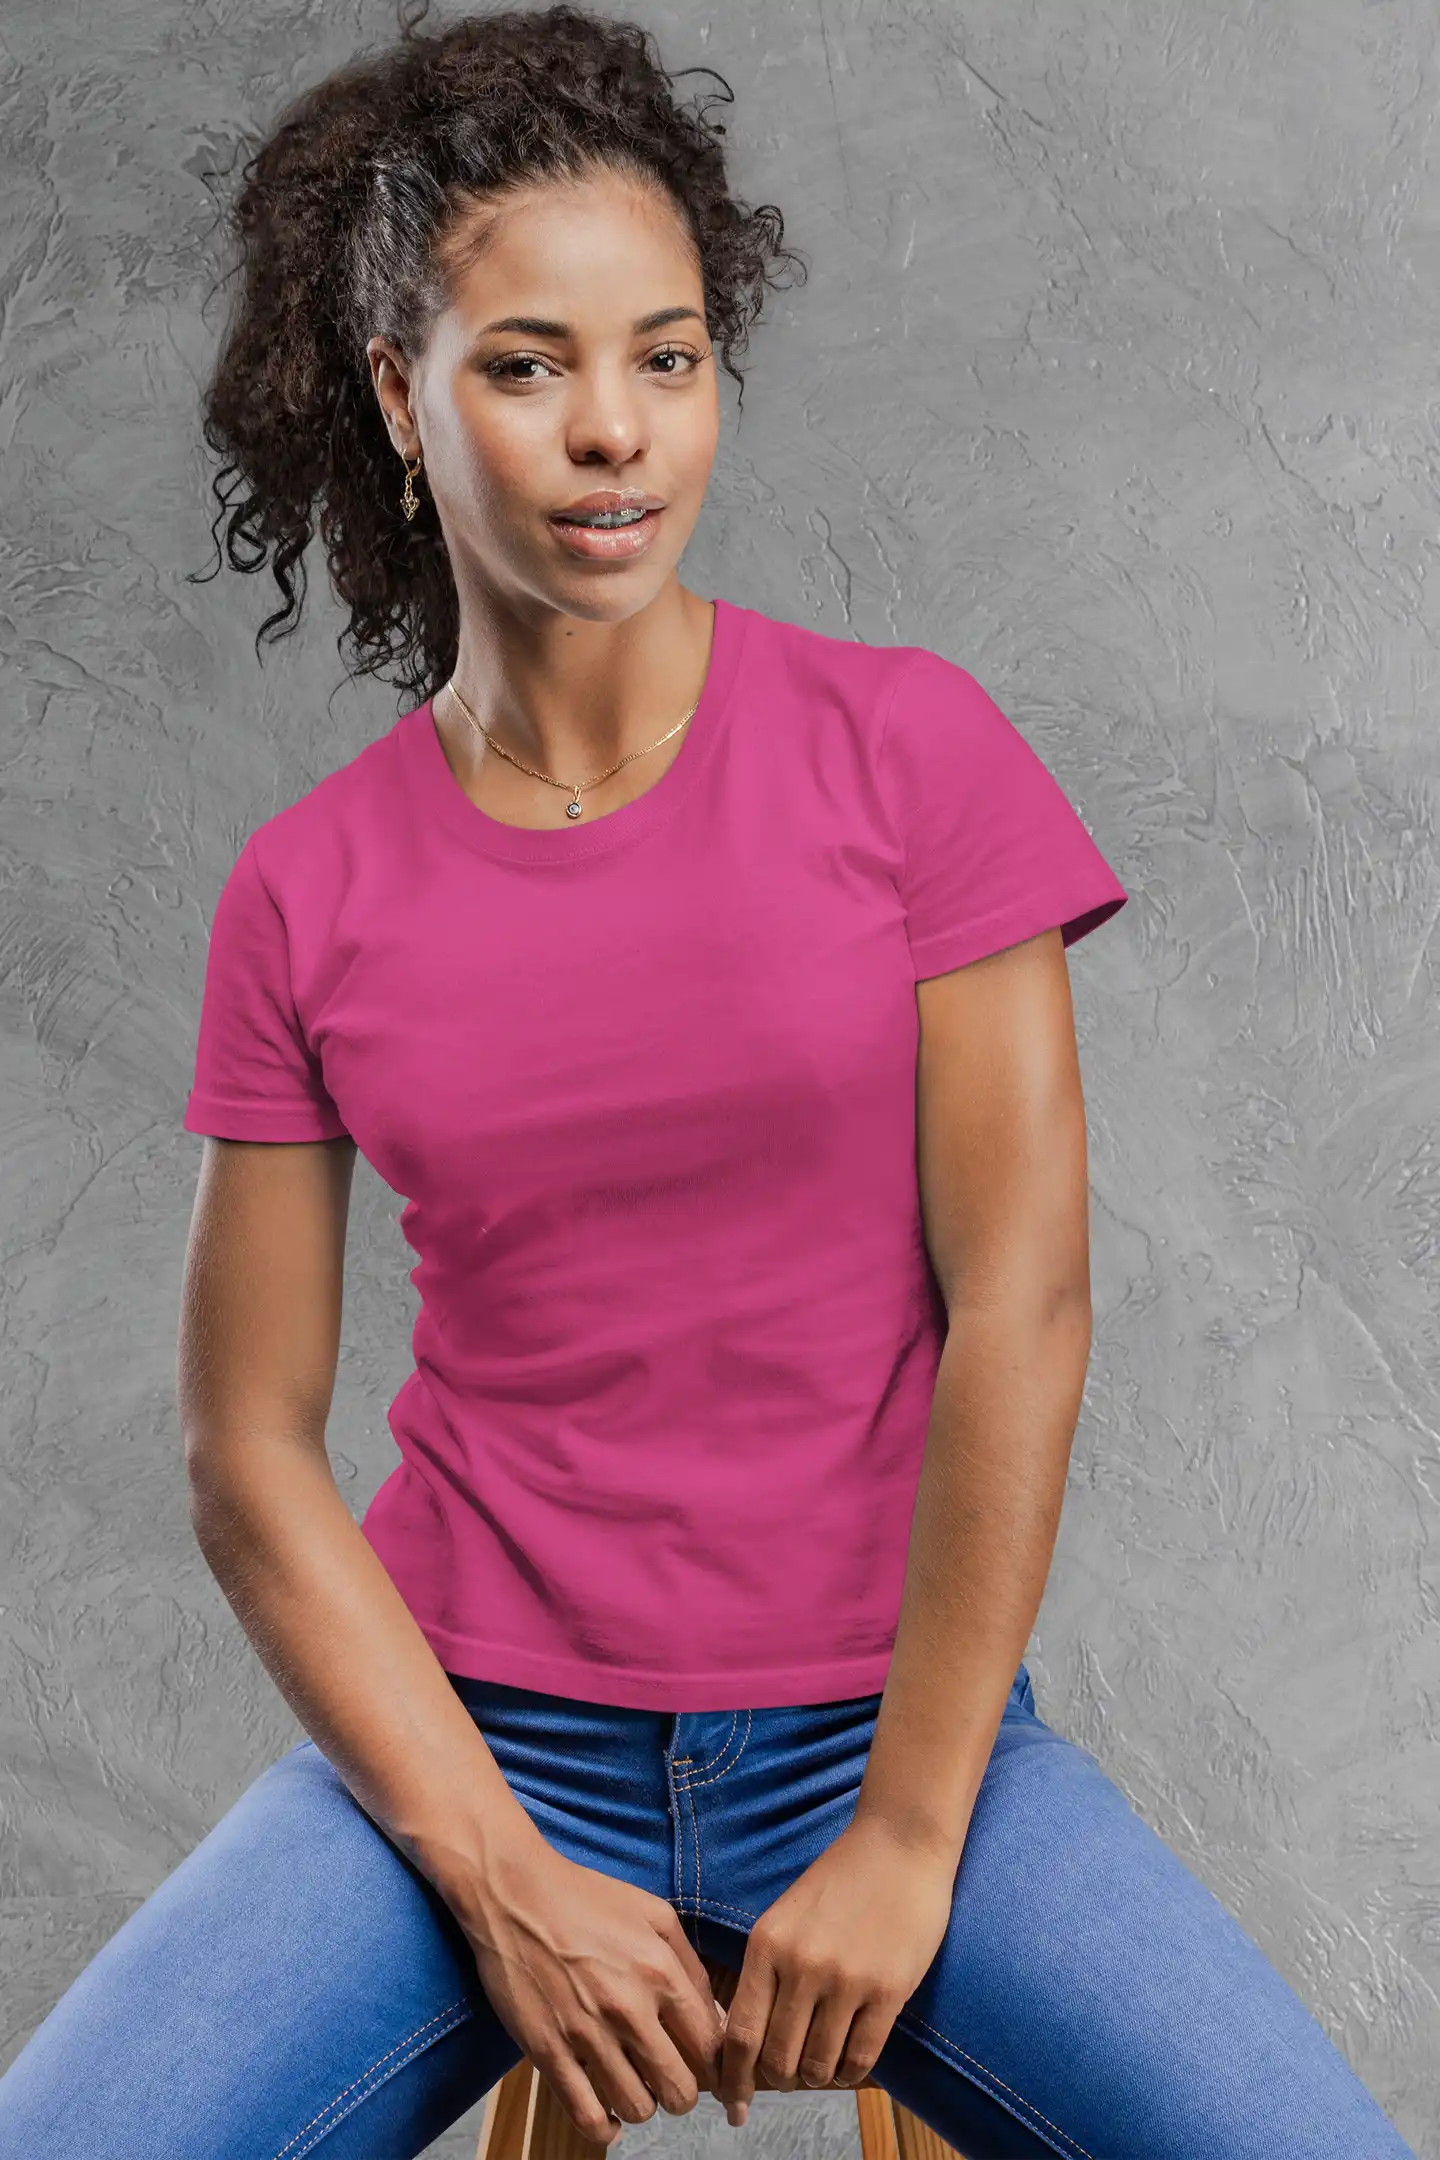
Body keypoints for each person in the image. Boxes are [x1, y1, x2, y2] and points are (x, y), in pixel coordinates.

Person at [0, 6, 1419, 2156]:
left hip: (890, 1746)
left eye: (666, 358)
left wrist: (912, 1838)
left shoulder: (907, 753)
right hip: (477, 1749)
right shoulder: (307, 891)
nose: (615, 433)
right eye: (527, 365)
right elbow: (246, 1448)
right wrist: (495, 1875)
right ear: (396, 396)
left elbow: (1023, 1306)